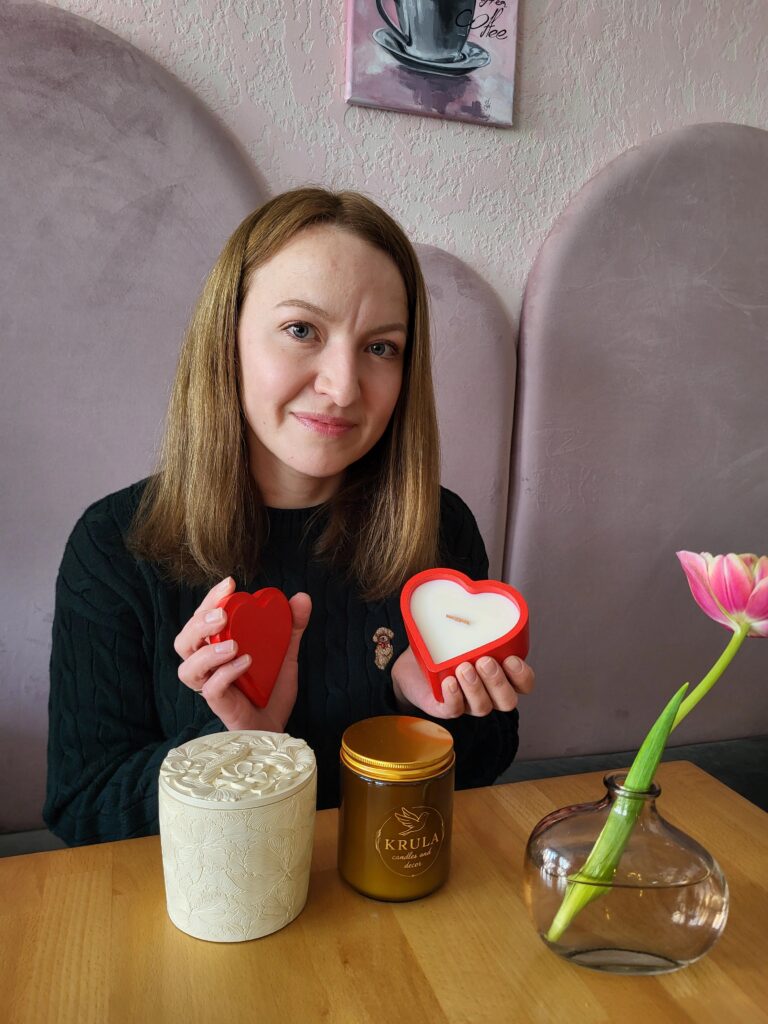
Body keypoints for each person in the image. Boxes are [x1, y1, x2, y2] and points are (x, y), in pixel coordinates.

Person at [43, 188, 535, 846]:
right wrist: (236, 746)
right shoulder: (115, 545)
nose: (343, 386)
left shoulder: (439, 528)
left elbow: (490, 757)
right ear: (227, 339)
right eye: (302, 330)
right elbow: (83, 807)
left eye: (381, 348)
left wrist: (421, 709)